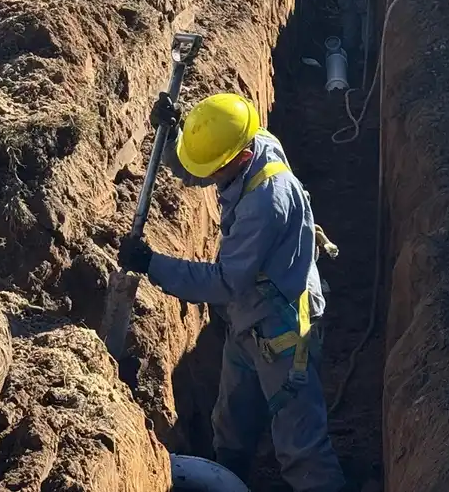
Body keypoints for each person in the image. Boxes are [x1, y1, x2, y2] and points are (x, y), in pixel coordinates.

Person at [119, 93, 346, 492]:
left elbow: (225, 282)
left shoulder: (266, 202)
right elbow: (203, 170)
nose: (209, 178)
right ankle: (231, 480)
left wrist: (153, 264)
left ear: (239, 159)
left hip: (283, 331)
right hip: (247, 321)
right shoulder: (251, 143)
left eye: (216, 168)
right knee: (231, 425)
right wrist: (175, 140)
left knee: (300, 449)